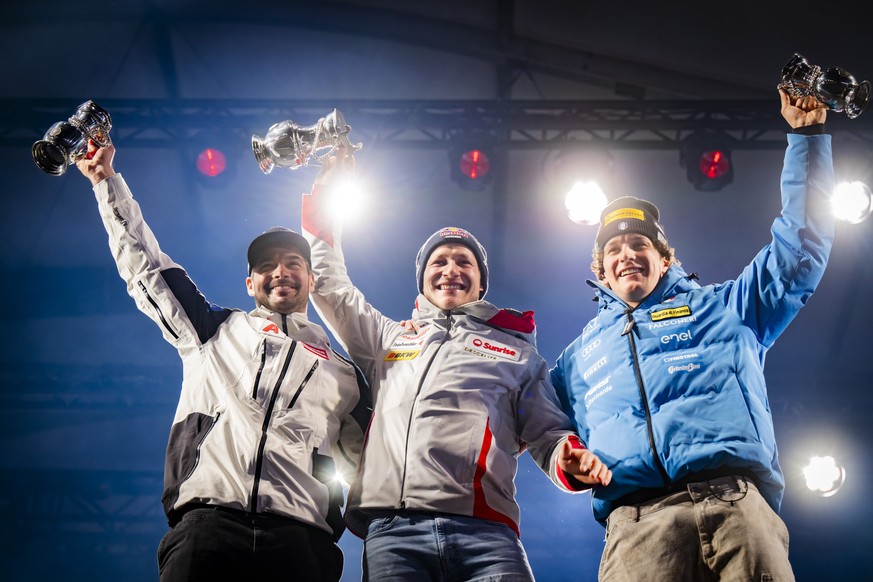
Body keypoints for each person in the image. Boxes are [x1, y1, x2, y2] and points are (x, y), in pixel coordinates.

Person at [549, 88, 834, 581]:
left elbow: (799, 248)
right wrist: (562, 459)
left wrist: (806, 138)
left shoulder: (725, 308)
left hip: (737, 508)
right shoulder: (575, 360)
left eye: (640, 243)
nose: (627, 254)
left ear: (665, 258)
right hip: (636, 529)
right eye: (613, 249)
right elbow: (531, 423)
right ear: (600, 269)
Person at [299, 152, 612, 581]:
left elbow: (548, 432)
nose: (451, 270)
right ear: (423, 280)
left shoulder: (517, 352)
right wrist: (324, 196)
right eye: (439, 262)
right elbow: (329, 283)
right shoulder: (387, 339)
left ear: (481, 282)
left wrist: (568, 456)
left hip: (488, 534)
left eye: (464, 262)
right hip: (396, 532)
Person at [74, 139, 371, 582]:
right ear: (250, 282)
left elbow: (376, 459)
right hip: (207, 529)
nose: (281, 272)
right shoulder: (212, 331)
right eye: (267, 265)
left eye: (293, 263)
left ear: (312, 279)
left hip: (303, 541)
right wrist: (105, 181)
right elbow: (147, 269)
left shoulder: (343, 371)